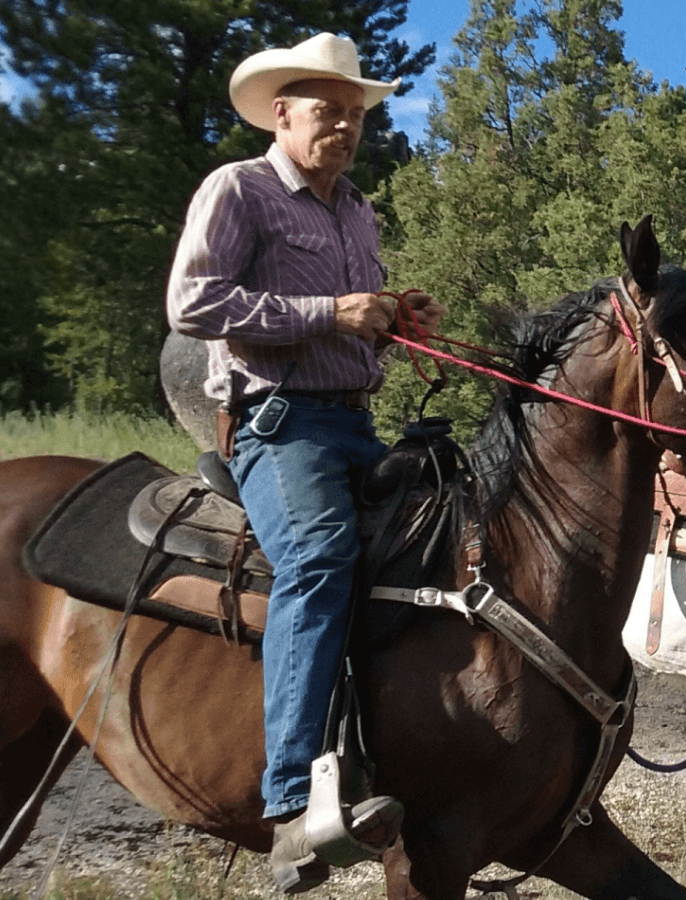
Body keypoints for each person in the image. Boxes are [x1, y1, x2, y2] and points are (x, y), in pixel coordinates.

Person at [164, 32, 444, 894]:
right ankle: (289, 803)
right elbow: (191, 301)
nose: (346, 126)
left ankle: (396, 756)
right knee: (320, 559)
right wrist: (329, 311)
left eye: (356, 113)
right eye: (329, 111)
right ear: (281, 114)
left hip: (356, 420)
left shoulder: (357, 209)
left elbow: (354, 327)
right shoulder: (239, 188)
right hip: (276, 427)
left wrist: (393, 320)